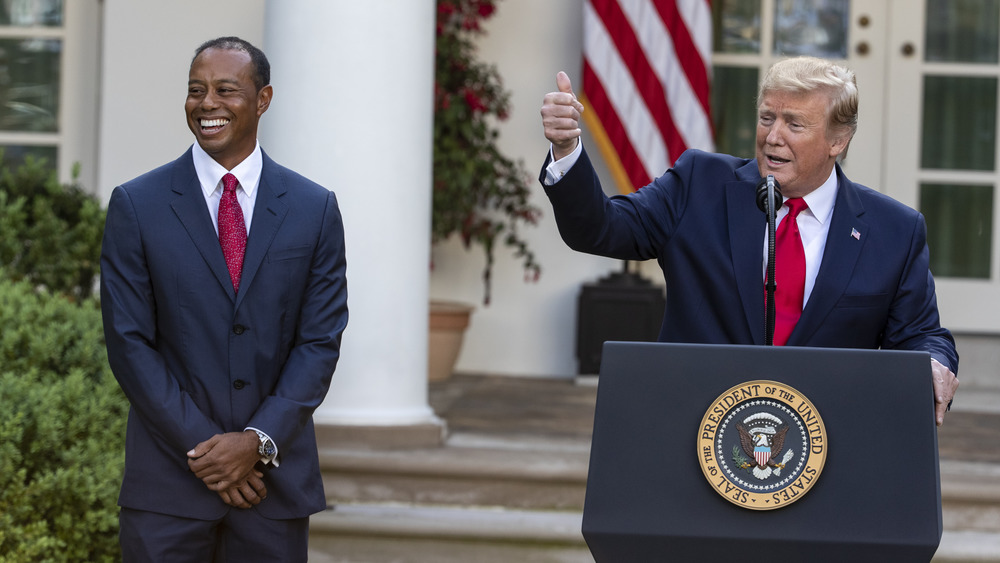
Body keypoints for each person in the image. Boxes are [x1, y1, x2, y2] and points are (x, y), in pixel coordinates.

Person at [539, 56, 959, 425]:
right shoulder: (698, 184)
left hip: (828, 444)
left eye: (795, 124)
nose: (773, 137)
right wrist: (566, 147)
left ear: (838, 140)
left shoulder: (893, 230)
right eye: (766, 118)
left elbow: (921, 334)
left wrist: (935, 364)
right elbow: (600, 227)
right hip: (695, 429)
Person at [100, 36, 348, 561]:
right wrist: (210, 454)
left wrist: (256, 442)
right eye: (195, 90)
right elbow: (129, 342)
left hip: (271, 487)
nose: (206, 103)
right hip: (167, 487)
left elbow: (319, 342)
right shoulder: (136, 206)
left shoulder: (314, 209)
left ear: (263, 99)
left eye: (225, 89)